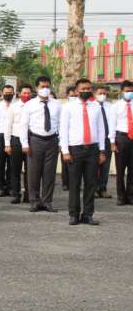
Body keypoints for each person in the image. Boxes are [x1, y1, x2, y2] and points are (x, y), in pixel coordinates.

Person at [60, 79, 104, 225]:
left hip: (92, 149)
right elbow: (63, 130)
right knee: (74, 183)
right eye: (83, 89)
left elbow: (101, 129)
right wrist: (65, 151)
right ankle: (73, 214)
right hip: (75, 149)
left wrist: (102, 150)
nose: (86, 91)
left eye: (88, 88)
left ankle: (88, 214)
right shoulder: (68, 107)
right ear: (77, 91)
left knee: (91, 183)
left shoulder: (96, 107)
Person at [20, 75, 61, 213]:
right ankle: (34, 201)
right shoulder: (29, 105)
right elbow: (23, 125)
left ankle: (47, 201)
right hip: (35, 141)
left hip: (52, 140)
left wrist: (60, 142)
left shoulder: (57, 104)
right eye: (42, 87)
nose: (45, 89)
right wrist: (25, 143)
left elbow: (60, 124)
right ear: (37, 88)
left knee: (49, 173)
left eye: (48, 86)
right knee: (33, 173)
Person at [5, 84, 32, 204]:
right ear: (20, 94)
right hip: (16, 141)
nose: (26, 95)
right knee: (15, 170)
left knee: (30, 170)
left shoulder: (34, 106)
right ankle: (16, 194)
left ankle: (28, 195)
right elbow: (8, 126)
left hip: (31, 141)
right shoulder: (14, 107)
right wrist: (7, 143)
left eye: (28, 93)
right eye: (24, 93)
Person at [110, 81, 133, 205]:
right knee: (120, 169)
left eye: (131, 91)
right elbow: (112, 125)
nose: (130, 93)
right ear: (122, 91)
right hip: (121, 138)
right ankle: (120, 196)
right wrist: (112, 142)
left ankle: (130, 195)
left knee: (132, 170)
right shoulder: (116, 106)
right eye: (127, 91)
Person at [0, 85, 15, 197]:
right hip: (0, 136)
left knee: (12, 163)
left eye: (10, 92)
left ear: (14, 94)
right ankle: (0, 187)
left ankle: (10, 186)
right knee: (0, 163)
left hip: (13, 136)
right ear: (2, 93)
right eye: (6, 92)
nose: (8, 94)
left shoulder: (16, 106)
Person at [94, 85, 113, 199]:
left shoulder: (110, 106)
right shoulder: (92, 107)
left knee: (106, 166)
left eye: (105, 94)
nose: (103, 96)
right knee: (94, 166)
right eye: (100, 93)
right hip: (95, 140)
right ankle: (94, 189)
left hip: (107, 139)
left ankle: (103, 188)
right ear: (95, 94)